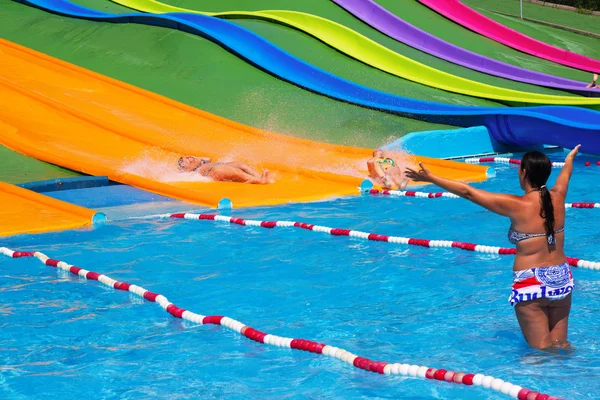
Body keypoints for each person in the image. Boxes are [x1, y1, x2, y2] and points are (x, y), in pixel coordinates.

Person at [405, 146, 581, 350]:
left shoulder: (517, 204)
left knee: (540, 352)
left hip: (531, 282)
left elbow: (468, 192)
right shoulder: (558, 197)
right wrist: (569, 158)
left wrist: (432, 178)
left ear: (523, 172)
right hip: (561, 278)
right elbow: (565, 174)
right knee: (561, 345)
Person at [178, 156, 272, 184]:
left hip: (220, 166)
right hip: (214, 170)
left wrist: (195, 158)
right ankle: (259, 180)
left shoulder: (201, 162)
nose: (187, 158)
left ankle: (259, 176)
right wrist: (189, 163)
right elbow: (186, 172)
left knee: (241, 164)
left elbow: (208, 159)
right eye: (184, 160)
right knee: (236, 172)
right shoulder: (194, 171)